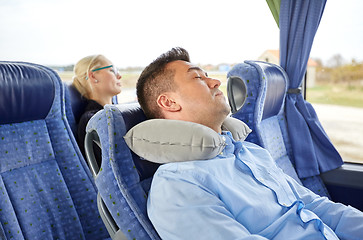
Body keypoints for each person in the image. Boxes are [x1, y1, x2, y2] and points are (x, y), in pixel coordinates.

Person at [136, 47, 363, 240]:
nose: (215, 81)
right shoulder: (178, 184)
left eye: (208, 75)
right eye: (197, 77)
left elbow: (315, 206)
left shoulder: (250, 153)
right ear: (169, 102)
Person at [72, 54, 122, 165]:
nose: (119, 76)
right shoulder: (93, 120)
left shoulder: (116, 113)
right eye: (112, 70)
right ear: (93, 76)